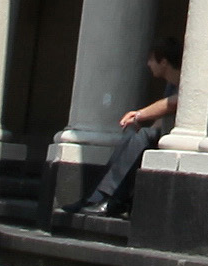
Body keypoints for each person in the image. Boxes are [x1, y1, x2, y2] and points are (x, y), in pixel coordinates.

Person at [69, 46, 180, 218]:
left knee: (142, 136)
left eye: (151, 59)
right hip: (165, 133)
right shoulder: (170, 84)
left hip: (180, 139)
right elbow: (162, 119)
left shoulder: (183, 81)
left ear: (163, 61)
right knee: (132, 136)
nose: (148, 64)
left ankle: (111, 199)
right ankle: (95, 198)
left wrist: (139, 115)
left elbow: (172, 103)